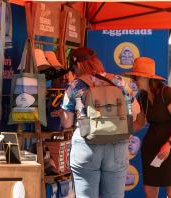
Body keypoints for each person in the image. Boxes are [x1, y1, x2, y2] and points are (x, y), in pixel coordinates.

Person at [59, 47, 143, 198]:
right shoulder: (118, 81)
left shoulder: (75, 86)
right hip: (117, 145)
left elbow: (66, 122)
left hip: (87, 146)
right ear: (96, 61)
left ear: (77, 65)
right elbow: (136, 110)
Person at [123, 57, 171, 198]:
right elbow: (139, 122)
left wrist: (168, 145)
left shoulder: (166, 92)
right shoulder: (142, 97)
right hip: (151, 149)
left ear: (146, 78)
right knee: (149, 191)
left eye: (136, 77)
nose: (134, 80)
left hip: (170, 148)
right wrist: (122, 133)